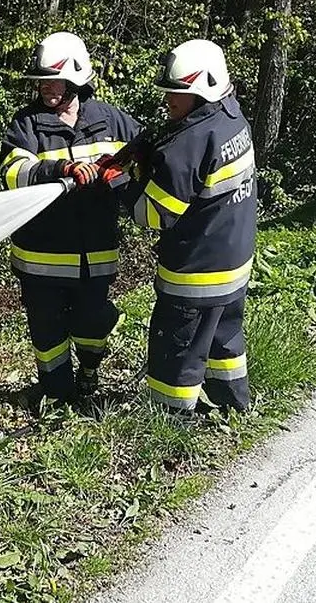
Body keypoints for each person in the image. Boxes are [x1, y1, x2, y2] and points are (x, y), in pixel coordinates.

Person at [99, 39, 257, 413]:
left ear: (203, 92)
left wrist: (116, 181)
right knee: (225, 341)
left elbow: (151, 213)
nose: (169, 99)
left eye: (178, 92)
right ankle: (234, 407)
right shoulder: (231, 116)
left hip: (195, 276)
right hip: (233, 265)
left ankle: (170, 425)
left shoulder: (189, 143)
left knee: (177, 353)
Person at [0, 31, 142, 403]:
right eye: (42, 81)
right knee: (48, 333)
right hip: (41, 258)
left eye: (55, 80)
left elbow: (145, 153)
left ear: (77, 78)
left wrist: (120, 172)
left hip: (96, 254)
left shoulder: (110, 120)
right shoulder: (27, 124)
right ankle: (55, 395)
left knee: (92, 324)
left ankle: (90, 373)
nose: (47, 88)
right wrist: (63, 167)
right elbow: (14, 172)